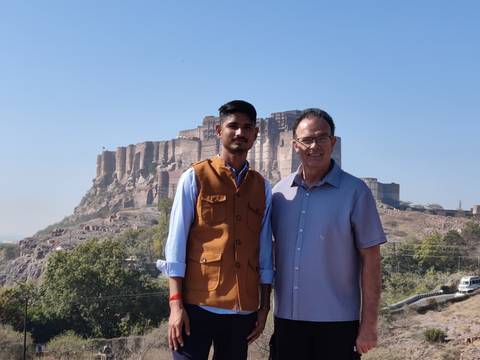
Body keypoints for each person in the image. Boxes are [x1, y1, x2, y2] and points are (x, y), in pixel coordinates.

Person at [160, 100, 273, 360]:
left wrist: (264, 307)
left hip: (242, 311)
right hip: (196, 306)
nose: (240, 133)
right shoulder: (195, 177)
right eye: (233, 126)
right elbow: (175, 245)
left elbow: (265, 249)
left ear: (255, 134)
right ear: (218, 131)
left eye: (247, 127)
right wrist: (175, 305)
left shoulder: (262, 187)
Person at [270, 108, 386, 359]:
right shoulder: (279, 193)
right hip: (287, 323)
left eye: (322, 138)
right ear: (294, 145)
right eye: (306, 140)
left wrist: (368, 326)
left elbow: (372, 262)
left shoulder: (356, 192)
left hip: (337, 327)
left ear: (333, 142)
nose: (314, 146)